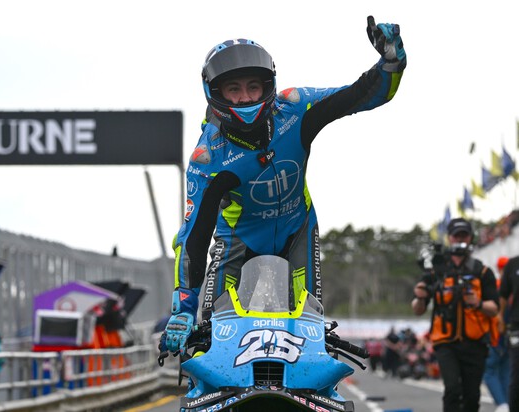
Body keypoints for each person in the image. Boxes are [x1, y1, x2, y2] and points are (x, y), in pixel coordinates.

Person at [163, 15, 407, 354]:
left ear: (269, 86)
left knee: (312, 336)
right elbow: (193, 237)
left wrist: (391, 64)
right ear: (215, 93)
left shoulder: (295, 107)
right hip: (237, 241)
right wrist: (183, 309)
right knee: (210, 339)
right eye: (234, 89)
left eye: (253, 87)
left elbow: (360, 94)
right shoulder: (207, 158)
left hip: (298, 230)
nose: (246, 98)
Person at [412, 218, 499, 412]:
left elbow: (495, 307)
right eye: (456, 235)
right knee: (452, 389)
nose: (460, 239)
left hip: (475, 342)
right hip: (445, 342)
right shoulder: (436, 271)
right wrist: (419, 296)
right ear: (449, 238)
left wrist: (477, 303)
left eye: (464, 235)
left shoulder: (482, 271)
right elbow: (418, 309)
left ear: (470, 238)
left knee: (472, 395)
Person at [483, 257, 511, 412]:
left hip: (496, 335)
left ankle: (502, 404)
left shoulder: (498, 287)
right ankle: (507, 402)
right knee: (506, 370)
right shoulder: (514, 286)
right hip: (510, 335)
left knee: (490, 370)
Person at [499, 253, 519, 412]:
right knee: (517, 375)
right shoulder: (513, 264)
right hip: (517, 326)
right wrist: (500, 318)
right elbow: (503, 295)